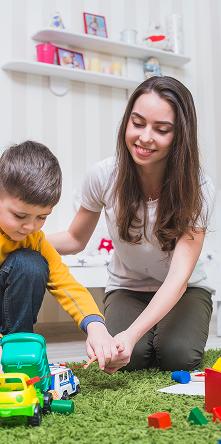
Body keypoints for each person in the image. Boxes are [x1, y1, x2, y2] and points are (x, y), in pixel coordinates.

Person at [47, 76, 216, 374]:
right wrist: (22, 239)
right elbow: (75, 239)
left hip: (186, 289)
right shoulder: (102, 175)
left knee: (177, 356)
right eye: (137, 123)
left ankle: (160, 332)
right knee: (130, 358)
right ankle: (148, 334)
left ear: (180, 136)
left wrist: (133, 332)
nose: (145, 137)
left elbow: (178, 277)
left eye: (161, 130)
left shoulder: (199, 187)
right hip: (127, 287)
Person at [0, 141, 119, 384]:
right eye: (20, 216)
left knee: (32, 263)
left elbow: (65, 282)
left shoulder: (33, 237)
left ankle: (14, 348)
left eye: (42, 217)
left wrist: (95, 327)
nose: (30, 227)